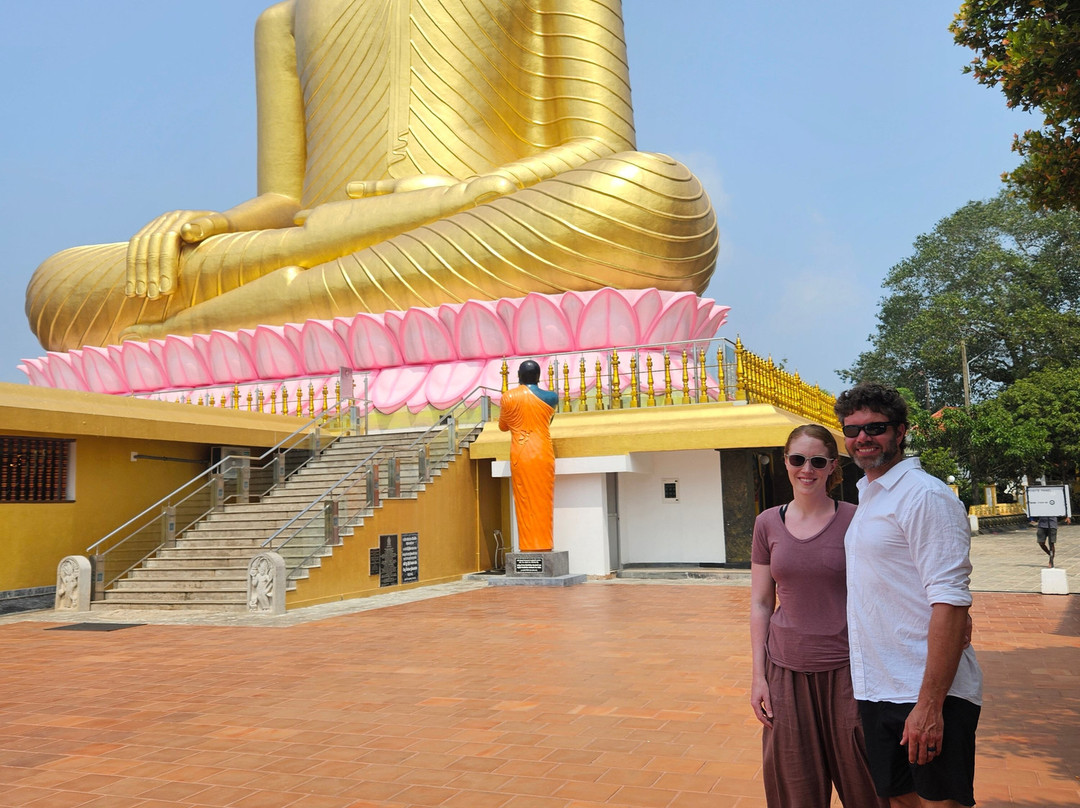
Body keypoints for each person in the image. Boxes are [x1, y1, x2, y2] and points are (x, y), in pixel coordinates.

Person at [26, 0, 718, 353]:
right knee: (57, 285)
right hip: (361, 239)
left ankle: (193, 328)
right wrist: (216, 225)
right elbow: (285, 198)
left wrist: (468, 195)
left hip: (484, 216)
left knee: (656, 198)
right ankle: (249, 306)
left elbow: (601, 148)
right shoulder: (285, 18)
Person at [835, 382, 982, 808]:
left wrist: (929, 706)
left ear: (900, 432)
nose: (862, 438)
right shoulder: (870, 495)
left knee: (939, 803)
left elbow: (950, 601)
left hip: (927, 691)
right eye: (853, 429)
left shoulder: (924, 496)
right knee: (899, 800)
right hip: (879, 686)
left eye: (875, 428)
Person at [750, 424, 887, 808]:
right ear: (785, 463)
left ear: (832, 466)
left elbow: (883, 590)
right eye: (797, 459)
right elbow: (761, 602)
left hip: (849, 671)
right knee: (795, 789)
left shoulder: (857, 520)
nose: (805, 469)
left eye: (817, 461)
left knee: (865, 784)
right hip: (785, 670)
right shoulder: (767, 524)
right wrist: (758, 676)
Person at [498, 360, 558, 552]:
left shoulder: (508, 397)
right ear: (539, 376)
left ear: (518, 376)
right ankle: (543, 544)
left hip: (521, 452)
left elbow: (503, 426)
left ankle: (528, 545)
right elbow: (549, 420)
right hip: (542, 451)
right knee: (543, 500)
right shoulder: (551, 397)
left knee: (524, 499)